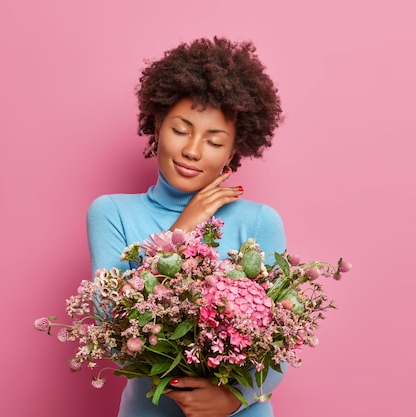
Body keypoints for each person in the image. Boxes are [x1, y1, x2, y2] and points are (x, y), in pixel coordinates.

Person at [87, 37, 286, 417]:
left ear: (232, 152)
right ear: (158, 125)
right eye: (181, 130)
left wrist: (233, 399)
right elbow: (113, 335)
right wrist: (184, 230)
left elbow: (282, 344)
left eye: (214, 141)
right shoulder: (111, 213)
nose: (193, 150)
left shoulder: (261, 221)